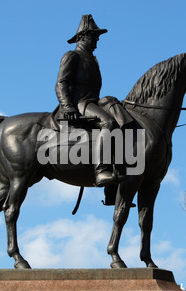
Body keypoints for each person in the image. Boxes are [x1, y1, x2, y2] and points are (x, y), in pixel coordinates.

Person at [55, 14, 118, 187]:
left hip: (93, 103)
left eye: (97, 37)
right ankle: (101, 171)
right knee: (108, 123)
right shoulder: (72, 56)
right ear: (82, 36)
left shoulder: (93, 60)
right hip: (80, 104)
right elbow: (61, 83)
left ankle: (113, 185)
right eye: (94, 36)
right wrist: (68, 107)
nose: (97, 40)